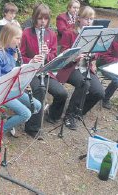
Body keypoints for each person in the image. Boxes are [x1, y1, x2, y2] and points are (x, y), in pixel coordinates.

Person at [20, 3, 68, 138]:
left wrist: (47, 54)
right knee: (40, 90)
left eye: (45, 19)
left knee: (62, 93)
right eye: (40, 18)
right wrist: (32, 59)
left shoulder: (51, 34)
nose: (43, 22)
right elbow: (20, 56)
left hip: (46, 71)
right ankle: (32, 127)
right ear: (35, 18)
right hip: (31, 72)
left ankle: (52, 115)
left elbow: (55, 57)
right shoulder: (26, 33)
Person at [0, 23, 41, 138]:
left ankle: (10, 120)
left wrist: (24, 79)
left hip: (12, 89)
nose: (19, 42)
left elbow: (16, 72)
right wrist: (13, 80)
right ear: (7, 37)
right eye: (17, 38)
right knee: (25, 113)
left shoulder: (12, 53)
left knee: (37, 106)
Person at [57, 6, 105, 129]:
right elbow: (63, 55)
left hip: (85, 68)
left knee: (99, 92)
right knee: (84, 84)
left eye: (91, 19)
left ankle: (79, 111)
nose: (89, 21)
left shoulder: (94, 34)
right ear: (79, 19)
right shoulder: (69, 33)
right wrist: (76, 56)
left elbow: (98, 52)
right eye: (86, 18)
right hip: (70, 68)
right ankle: (69, 115)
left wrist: (93, 54)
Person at [98, 37, 118, 109]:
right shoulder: (112, 38)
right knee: (117, 81)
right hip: (105, 66)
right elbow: (103, 56)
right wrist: (117, 61)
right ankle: (105, 98)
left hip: (117, 66)